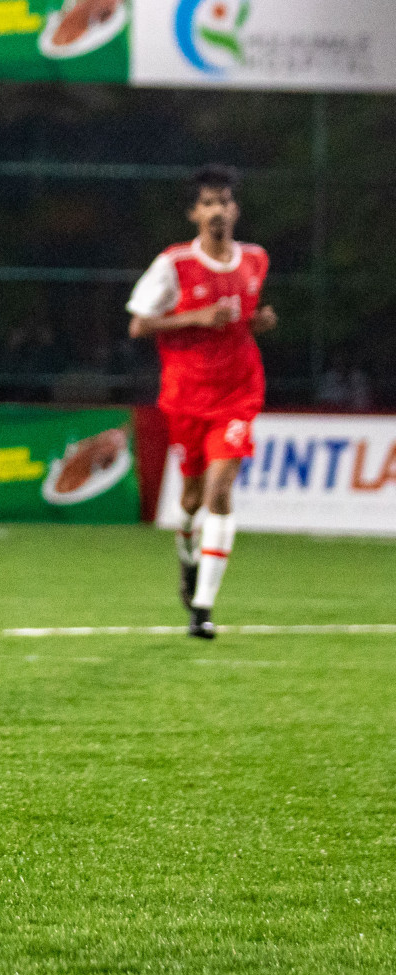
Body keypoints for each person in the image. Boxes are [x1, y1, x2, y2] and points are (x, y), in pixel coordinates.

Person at [127, 164, 277, 640]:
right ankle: (188, 566)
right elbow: (139, 324)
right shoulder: (173, 264)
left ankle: (203, 609)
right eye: (208, 203)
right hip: (187, 396)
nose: (217, 211)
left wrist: (258, 324)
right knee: (190, 501)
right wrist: (197, 316)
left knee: (219, 492)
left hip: (238, 392)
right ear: (194, 213)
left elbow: (239, 319)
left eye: (225, 202)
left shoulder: (255, 260)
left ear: (235, 210)